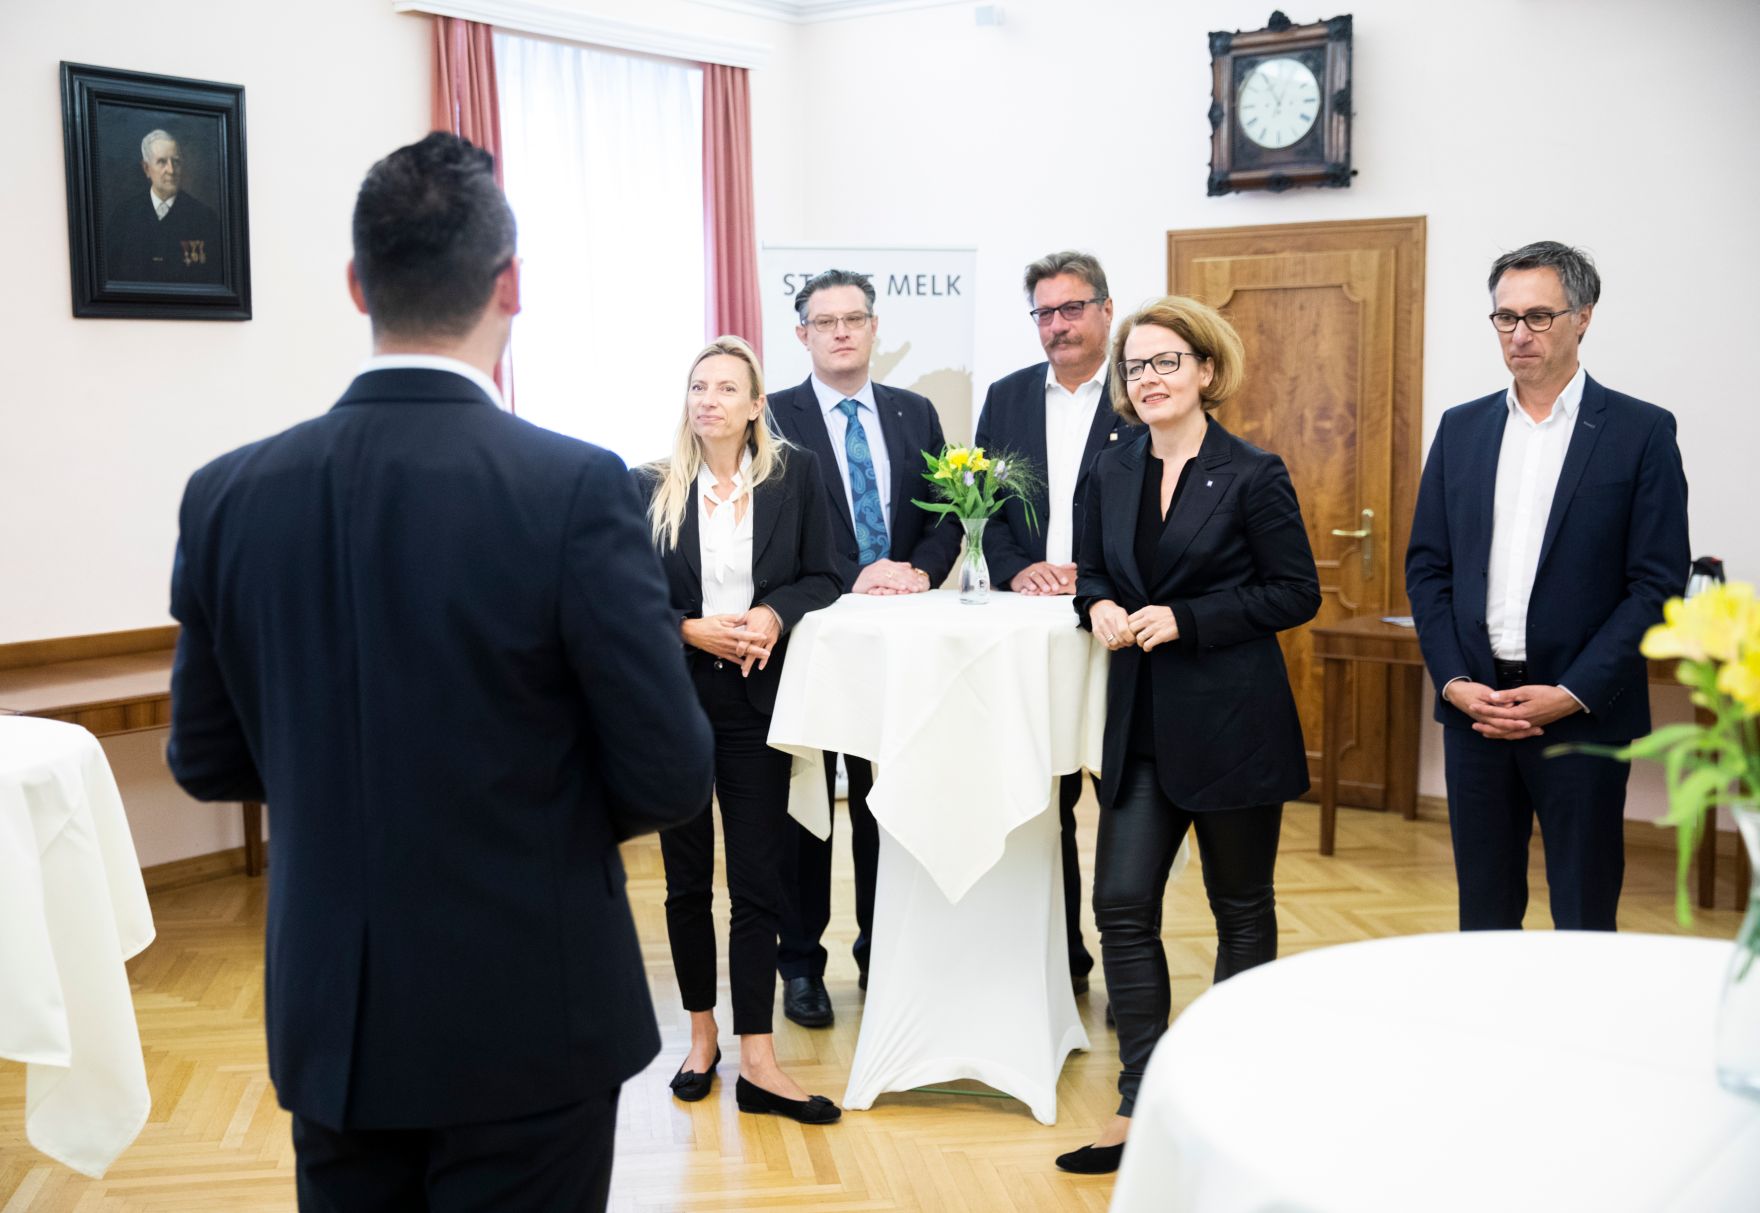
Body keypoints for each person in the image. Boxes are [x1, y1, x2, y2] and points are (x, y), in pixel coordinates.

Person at [166, 132, 713, 1212]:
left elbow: (207, 755)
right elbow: (663, 770)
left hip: (336, 1013)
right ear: (511, 284)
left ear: (357, 284)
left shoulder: (226, 494)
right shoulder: (572, 487)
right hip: (529, 1004)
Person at [1062, 296, 1320, 1175]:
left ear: (1207, 371)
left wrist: (1187, 618)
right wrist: (1095, 601)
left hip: (1234, 725)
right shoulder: (1111, 464)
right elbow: (1091, 567)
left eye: (1168, 361)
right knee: (1122, 905)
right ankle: (1142, 1096)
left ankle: (1233, 1087)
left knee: (1239, 909)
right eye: (1136, 366)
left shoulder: (1254, 472)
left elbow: (1295, 593)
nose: (1150, 378)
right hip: (1137, 728)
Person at [1405, 240, 1689, 932]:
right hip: (1477, 709)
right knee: (1485, 913)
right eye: (1505, 318)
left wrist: (1571, 693)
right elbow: (1428, 567)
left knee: (1585, 912)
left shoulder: (1640, 432)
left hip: (1583, 717)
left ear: (1583, 317)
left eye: (1538, 316)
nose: (1519, 334)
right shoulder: (1462, 426)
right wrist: (1452, 681)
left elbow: (1656, 586)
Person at [636, 336, 844, 1124]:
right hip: (676, 706)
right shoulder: (647, 485)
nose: (710, 399)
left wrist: (770, 613)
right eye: (698, 386)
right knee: (687, 881)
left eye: (727, 387)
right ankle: (700, 1038)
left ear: (757, 404)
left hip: (763, 705)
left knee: (759, 882)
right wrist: (689, 629)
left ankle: (759, 1057)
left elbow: (826, 573)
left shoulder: (797, 478)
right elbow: (623, 597)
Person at [766, 267, 961, 1027]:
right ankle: (801, 964)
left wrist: (919, 569)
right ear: (802, 335)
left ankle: (884, 955)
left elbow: (949, 512)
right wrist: (857, 575)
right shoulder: (771, 416)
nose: (842, 331)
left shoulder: (916, 412)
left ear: (875, 327)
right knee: (807, 813)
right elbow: (772, 532)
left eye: (855, 318)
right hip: (810, 644)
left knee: (888, 806)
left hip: (901, 645)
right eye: (826, 321)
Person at [974, 249, 1135, 999]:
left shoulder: (1145, 390)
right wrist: (1016, 569)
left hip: (1120, 627)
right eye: (1045, 312)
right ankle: (1063, 956)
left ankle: (1130, 956)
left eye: (1073, 308)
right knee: (1044, 802)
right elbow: (991, 514)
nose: (1058, 325)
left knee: (1124, 801)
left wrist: (1098, 580)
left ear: (1106, 309)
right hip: (1032, 630)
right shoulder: (1006, 399)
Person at [104, 129, 223, 283]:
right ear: (146, 168)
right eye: (162, 162)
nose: (171, 170)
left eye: (176, 161)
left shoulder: (205, 218)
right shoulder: (123, 216)